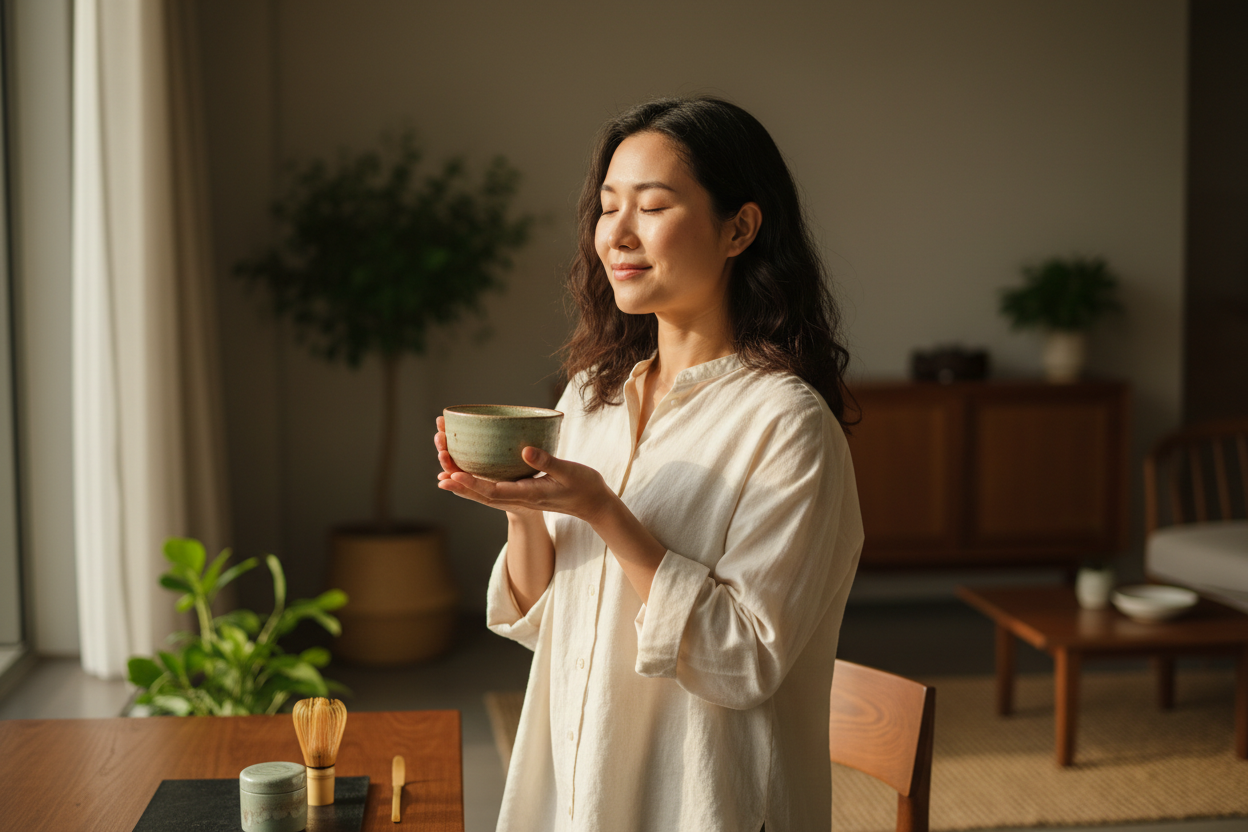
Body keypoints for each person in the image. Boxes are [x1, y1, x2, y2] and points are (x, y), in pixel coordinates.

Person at [433, 96, 863, 832]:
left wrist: (604, 511)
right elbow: (555, 624)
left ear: (740, 228)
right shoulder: (590, 397)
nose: (618, 235)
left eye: (653, 206)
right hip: (577, 786)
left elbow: (744, 661)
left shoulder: (787, 425)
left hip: (703, 801)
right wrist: (522, 507)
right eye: (607, 208)